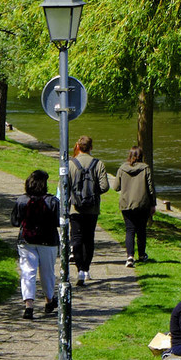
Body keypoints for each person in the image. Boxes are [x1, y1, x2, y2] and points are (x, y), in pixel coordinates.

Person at [10, 169, 59, 320]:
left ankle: (29, 306)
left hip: (26, 241)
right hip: (48, 241)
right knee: (47, 272)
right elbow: (58, 222)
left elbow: (15, 222)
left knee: (27, 272)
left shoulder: (22, 200)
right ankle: (49, 300)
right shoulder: (52, 201)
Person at [67, 135, 109, 286]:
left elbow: (64, 186)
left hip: (75, 209)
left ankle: (79, 270)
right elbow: (105, 187)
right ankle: (86, 268)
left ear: (77, 146)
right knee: (89, 239)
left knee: (76, 239)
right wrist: (91, 193)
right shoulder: (98, 164)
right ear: (91, 147)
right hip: (92, 209)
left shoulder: (70, 164)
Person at [116, 144, 156, 266]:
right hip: (142, 204)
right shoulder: (146, 168)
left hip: (126, 204)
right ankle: (142, 254)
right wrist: (153, 204)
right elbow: (151, 188)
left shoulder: (122, 168)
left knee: (130, 230)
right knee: (141, 230)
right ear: (141, 156)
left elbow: (116, 186)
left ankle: (130, 256)